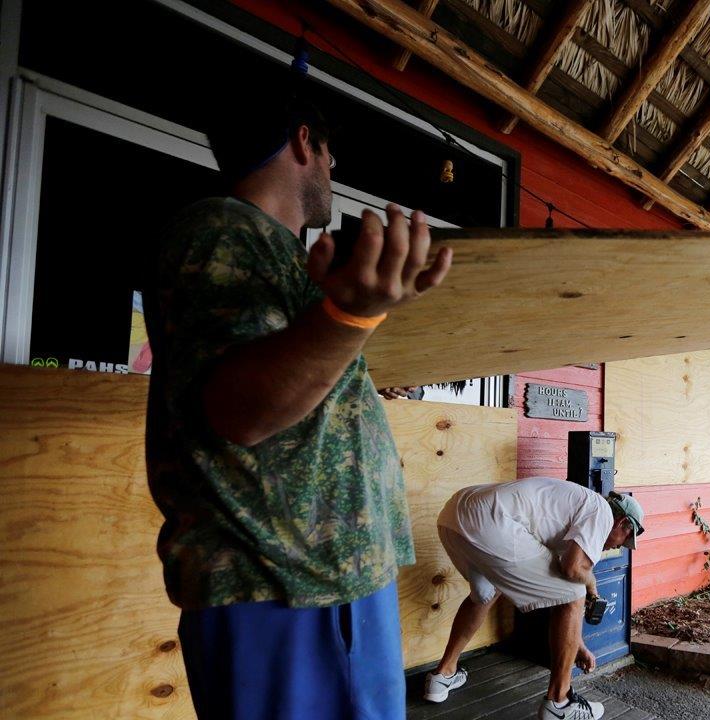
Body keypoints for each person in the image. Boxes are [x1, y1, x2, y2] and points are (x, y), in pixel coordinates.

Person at [144, 91, 452, 720]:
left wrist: (347, 345)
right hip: (281, 586)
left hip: (327, 584)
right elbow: (242, 411)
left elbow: (281, 381)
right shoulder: (222, 230)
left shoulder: (281, 254)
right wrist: (351, 314)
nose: (332, 168)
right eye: (330, 152)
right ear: (306, 142)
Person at [426, 477, 645, 720]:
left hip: (454, 514)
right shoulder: (602, 511)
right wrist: (591, 583)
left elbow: (555, 591)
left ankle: (442, 675)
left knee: (486, 593)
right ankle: (560, 703)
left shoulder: (572, 511)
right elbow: (572, 570)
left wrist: (577, 645)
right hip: (494, 522)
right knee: (576, 591)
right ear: (622, 523)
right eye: (623, 542)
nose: (615, 548)